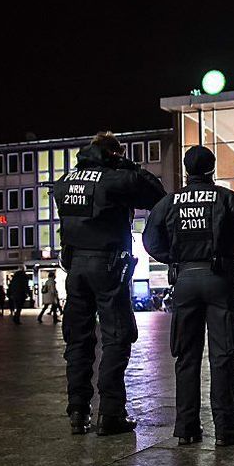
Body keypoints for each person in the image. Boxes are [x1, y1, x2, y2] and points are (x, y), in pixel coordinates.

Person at [143, 145, 234, 447]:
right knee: (223, 356)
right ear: (212, 170)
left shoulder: (169, 203)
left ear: (186, 171)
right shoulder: (228, 200)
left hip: (185, 280)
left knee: (186, 356)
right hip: (220, 280)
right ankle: (226, 429)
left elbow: (150, 239)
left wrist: (174, 258)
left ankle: (186, 428)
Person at [52, 131, 166, 436]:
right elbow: (156, 193)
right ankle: (111, 412)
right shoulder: (113, 180)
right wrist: (128, 165)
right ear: (113, 154)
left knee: (78, 339)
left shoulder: (64, 182)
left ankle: (78, 411)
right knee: (117, 336)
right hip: (108, 266)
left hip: (75, 268)